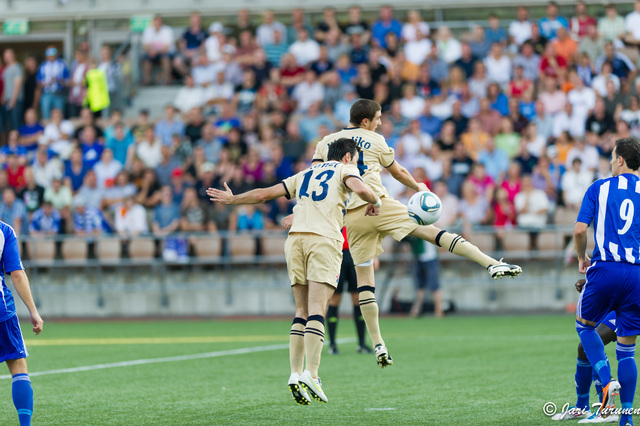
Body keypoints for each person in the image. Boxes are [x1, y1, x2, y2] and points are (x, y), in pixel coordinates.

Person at [310, 99, 522, 367]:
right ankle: (491, 264)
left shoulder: (327, 141)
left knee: (365, 282)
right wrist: (419, 186)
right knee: (434, 234)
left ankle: (378, 344)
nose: (381, 122)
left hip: (351, 217)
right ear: (366, 122)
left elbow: (315, 175)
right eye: (378, 118)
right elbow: (397, 171)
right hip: (379, 204)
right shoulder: (375, 140)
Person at [208, 138, 382, 406]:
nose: (357, 163)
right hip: (323, 241)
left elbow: (263, 194)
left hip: (295, 241)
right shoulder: (346, 170)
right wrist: (375, 200)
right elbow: (359, 187)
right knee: (317, 310)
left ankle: (294, 373)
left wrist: (233, 200)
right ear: (347, 156)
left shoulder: (306, 174)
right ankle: (312, 374)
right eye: (356, 158)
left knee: (300, 310)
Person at [574, 137, 640, 424]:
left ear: (621, 160)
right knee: (627, 350)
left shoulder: (599, 187)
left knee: (583, 326)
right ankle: (626, 419)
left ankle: (606, 379)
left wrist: (581, 259)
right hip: (637, 275)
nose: (611, 162)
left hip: (605, 269)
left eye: (613, 157)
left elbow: (579, 230)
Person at [551, 278, 617, 421]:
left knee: (592, 345)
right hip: (616, 302)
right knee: (584, 348)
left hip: (629, 303)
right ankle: (582, 406)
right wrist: (591, 282)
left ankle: (607, 409)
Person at [0, 217, 44, 425]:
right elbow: (17, 274)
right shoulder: (4, 231)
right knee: (18, 366)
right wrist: (33, 311)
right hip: (2, 311)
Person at [326, 227, 372, 356]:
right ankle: (333, 345)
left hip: (355, 253)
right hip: (336, 253)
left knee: (358, 298)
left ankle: (362, 344)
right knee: (335, 298)